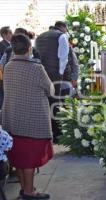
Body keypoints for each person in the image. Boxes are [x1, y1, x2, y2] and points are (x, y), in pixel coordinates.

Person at [2, 34, 54, 199]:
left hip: (12, 120)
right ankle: (30, 192)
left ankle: (24, 189)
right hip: (33, 120)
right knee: (30, 158)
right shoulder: (36, 68)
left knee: (19, 158)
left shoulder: (8, 67)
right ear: (29, 48)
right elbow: (51, 90)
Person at [35, 21, 69, 142]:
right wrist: (60, 73)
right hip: (55, 74)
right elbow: (63, 57)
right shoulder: (61, 36)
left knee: (44, 102)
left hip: (39, 71)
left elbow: (36, 55)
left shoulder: (40, 36)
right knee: (55, 102)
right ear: (62, 28)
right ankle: (57, 133)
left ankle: (44, 131)